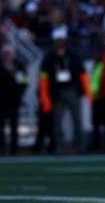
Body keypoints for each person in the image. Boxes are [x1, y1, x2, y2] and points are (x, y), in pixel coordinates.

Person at [38, 26, 90, 154]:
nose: (59, 42)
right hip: (57, 92)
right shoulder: (49, 57)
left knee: (77, 120)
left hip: (71, 89)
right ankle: (59, 147)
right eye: (57, 40)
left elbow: (82, 74)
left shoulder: (72, 55)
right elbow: (44, 77)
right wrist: (45, 95)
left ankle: (80, 146)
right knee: (57, 122)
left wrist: (86, 91)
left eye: (61, 39)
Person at [0, 42, 27, 155]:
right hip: (1, 101)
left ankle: (14, 149)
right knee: (1, 127)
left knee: (14, 127)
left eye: (9, 53)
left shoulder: (18, 66)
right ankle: (2, 149)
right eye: (5, 53)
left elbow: (24, 81)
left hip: (14, 101)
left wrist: (19, 94)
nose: (7, 56)